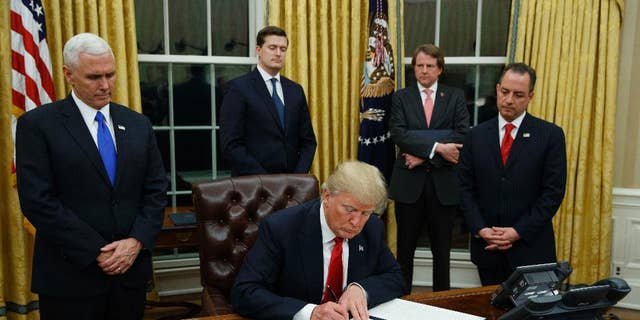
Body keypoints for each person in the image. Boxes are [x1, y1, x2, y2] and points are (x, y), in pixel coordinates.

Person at [15, 33, 167, 320]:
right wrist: (96, 250)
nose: (105, 85)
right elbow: (38, 201)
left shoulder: (137, 124)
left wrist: (135, 241)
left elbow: (156, 190)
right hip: (70, 277)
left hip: (129, 275)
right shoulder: (38, 125)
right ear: (68, 74)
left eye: (110, 74)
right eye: (94, 77)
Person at [230, 160, 408, 320]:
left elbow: (396, 278)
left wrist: (360, 289)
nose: (357, 222)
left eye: (366, 213)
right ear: (326, 196)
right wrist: (310, 313)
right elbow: (244, 292)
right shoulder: (281, 228)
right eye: (349, 209)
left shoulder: (372, 228)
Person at [458, 62, 567, 285]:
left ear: (530, 96)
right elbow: (464, 189)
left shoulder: (550, 136)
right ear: (497, 89)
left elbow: (552, 193)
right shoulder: (475, 135)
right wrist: (481, 229)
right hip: (487, 249)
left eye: (518, 95)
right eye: (505, 92)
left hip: (531, 249)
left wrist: (518, 231)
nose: (509, 100)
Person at [388, 44, 469, 291]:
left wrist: (425, 154)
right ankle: (402, 304)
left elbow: (462, 134)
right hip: (409, 185)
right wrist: (439, 146)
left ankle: (441, 305)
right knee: (405, 251)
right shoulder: (401, 97)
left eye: (430, 66)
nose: (424, 71)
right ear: (414, 68)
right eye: (419, 66)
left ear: (440, 69)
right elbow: (399, 134)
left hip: (443, 184)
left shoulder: (454, 96)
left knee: (442, 252)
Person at [220, 26, 317, 176]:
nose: (278, 53)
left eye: (283, 49)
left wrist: (297, 177)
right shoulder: (238, 88)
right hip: (253, 185)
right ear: (258, 50)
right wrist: (266, 181)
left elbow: (308, 142)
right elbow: (231, 144)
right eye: (272, 48)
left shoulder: (295, 90)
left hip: (292, 185)